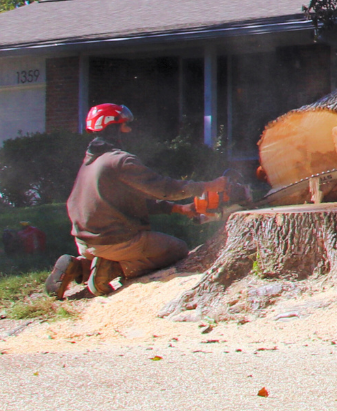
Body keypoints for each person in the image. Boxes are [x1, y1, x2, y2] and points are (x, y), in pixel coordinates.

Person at [46, 103, 228, 299]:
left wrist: (178, 209)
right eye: (125, 125)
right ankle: (112, 268)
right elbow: (164, 189)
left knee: (146, 246)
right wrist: (208, 186)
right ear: (114, 128)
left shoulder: (92, 161)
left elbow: (127, 202)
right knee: (177, 249)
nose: (129, 129)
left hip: (85, 240)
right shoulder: (120, 161)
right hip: (114, 242)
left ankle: (83, 265)